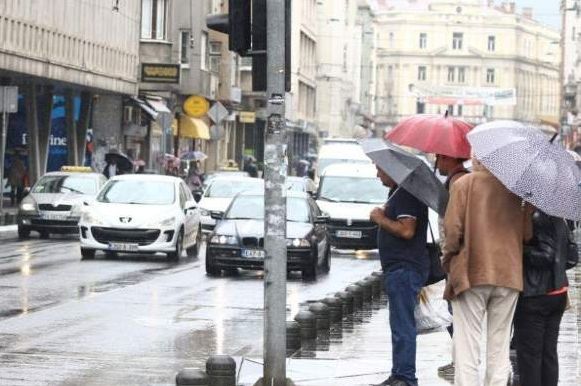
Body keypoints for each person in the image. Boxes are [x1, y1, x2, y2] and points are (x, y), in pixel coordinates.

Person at [442, 159, 532, 386]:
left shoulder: (464, 184)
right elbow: (526, 235)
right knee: (499, 345)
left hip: (472, 271)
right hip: (508, 274)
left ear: (478, 159)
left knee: (467, 345)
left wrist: (448, 259)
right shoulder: (517, 191)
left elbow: (452, 232)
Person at [370, 165, 429, 386]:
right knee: (399, 323)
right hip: (400, 269)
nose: (377, 175)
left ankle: (405, 377)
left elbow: (406, 230)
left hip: (404, 269)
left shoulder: (406, 194)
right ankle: (398, 373)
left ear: (392, 170)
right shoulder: (399, 193)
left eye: (380, 170)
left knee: (403, 324)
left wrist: (379, 218)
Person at [513, 209, 578, 386]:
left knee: (530, 356)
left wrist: (520, 249)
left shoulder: (536, 217)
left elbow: (546, 255)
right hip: (558, 292)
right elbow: (572, 258)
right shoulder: (560, 217)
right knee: (549, 353)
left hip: (535, 295)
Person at [434, 154, 469, 377]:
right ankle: (458, 361)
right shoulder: (454, 180)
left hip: (456, 258)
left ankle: (461, 364)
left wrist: (448, 257)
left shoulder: (459, 182)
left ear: (449, 158)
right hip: (455, 256)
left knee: (458, 316)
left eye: (440, 158)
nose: (437, 163)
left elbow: (456, 226)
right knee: (454, 314)